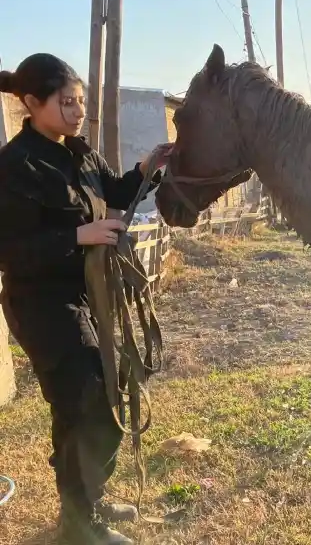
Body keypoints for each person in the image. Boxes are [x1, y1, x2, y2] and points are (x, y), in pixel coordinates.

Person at [0, 54, 171, 545]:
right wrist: (79, 235)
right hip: (43, 305)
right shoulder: (15, 165)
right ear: (32, 103)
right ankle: (80, 523)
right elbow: (9, 250)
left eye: (80, 101)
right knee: (90, 402)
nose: (78, 112)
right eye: (67, 102)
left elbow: (115, 190)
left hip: (87, 296)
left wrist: (147, 167)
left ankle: (86, 499)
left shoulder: (79, 152)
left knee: (89, 401)